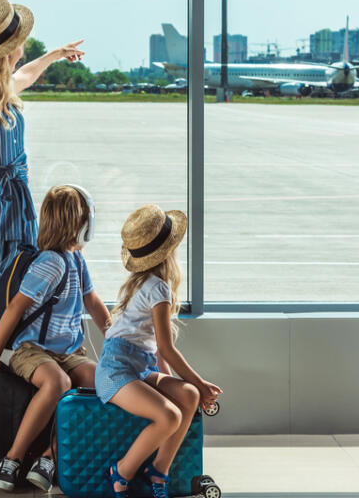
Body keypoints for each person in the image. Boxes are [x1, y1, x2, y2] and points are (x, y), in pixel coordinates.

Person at [0, 0, 85, 351]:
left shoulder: (5, 85)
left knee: (16, 295)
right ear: (9, 49)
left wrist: (54, 55)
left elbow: (27, 73)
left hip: (17, 206)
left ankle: (6, 387)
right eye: (20, 41)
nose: (24, 48)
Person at [0, 186, 111, 492]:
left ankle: (50, 455)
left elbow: (92, 301)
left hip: (67, 351)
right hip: (32, 350)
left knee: (104, 383)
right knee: (58, 383)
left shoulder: (76, 260)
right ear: (77, 223)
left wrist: (116, 338)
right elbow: (16, 308)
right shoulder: (51, 263)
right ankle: (11, 460)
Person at [96, 205, 222, 498]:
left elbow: (156, 349)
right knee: (170, 417)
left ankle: (159, 470)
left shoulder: (141, 284)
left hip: (138, 367)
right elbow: (167, 347)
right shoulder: (158, 289)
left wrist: (176, 384)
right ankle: (122, 472)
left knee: (187, 396)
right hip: (117, 371)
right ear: (169, 252)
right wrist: (202, 384)